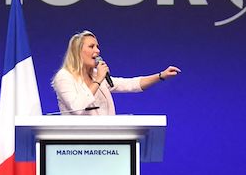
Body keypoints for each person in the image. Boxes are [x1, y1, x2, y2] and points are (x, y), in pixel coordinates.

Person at [52, 30, 180, 115]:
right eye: (91, 47)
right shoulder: (64, 77)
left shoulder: (98, 75)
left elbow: (130, 84)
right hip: (75, 145)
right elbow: (76, 107)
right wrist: (98, 80)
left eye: (97, 46)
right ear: (77, 51)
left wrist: (160, 76)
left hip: (106, 140)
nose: (97, 51)